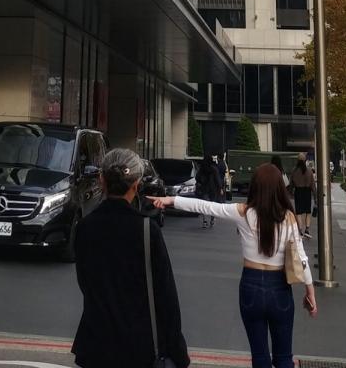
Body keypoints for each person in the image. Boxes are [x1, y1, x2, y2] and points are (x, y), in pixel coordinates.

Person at [150, 163, 317, 368]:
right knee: (283, 357)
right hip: (280, 288)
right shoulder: (289, 218)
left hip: (250, 287)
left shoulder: (243, 212)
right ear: (279, 188)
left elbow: (206, 206)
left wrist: (171, 200)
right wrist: (310, 291)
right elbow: (301, 258)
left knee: (260, 356)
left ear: (255, 186)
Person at [72, 148, 189, 368]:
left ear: (101, 180)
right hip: (139, 344)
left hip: (96, 341)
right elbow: (166, 295)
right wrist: (177, 350)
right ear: (136, 184)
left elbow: (85, 283)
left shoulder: (85, 227)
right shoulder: (146, 230)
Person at [289, 157, 316, 239]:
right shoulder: (309, 171)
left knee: (299, 212)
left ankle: (300, 230)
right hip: (307, 192)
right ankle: (307, 230)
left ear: (297, 161)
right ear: (305, 161)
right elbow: (313, 185)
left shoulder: (294, 171)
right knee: (308, 211)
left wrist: (291, 192)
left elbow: (291, 183)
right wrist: (315, 196)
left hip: (298, 192)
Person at [195, 154, 224, 228]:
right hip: (213, 189)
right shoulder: (214, 169)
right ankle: (212, 219)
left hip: (204, 188)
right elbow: (217, 179)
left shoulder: (202, 169)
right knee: (212, 205)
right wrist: (220, 188)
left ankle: (205, 221)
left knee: (204, 205)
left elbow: (197, 178)